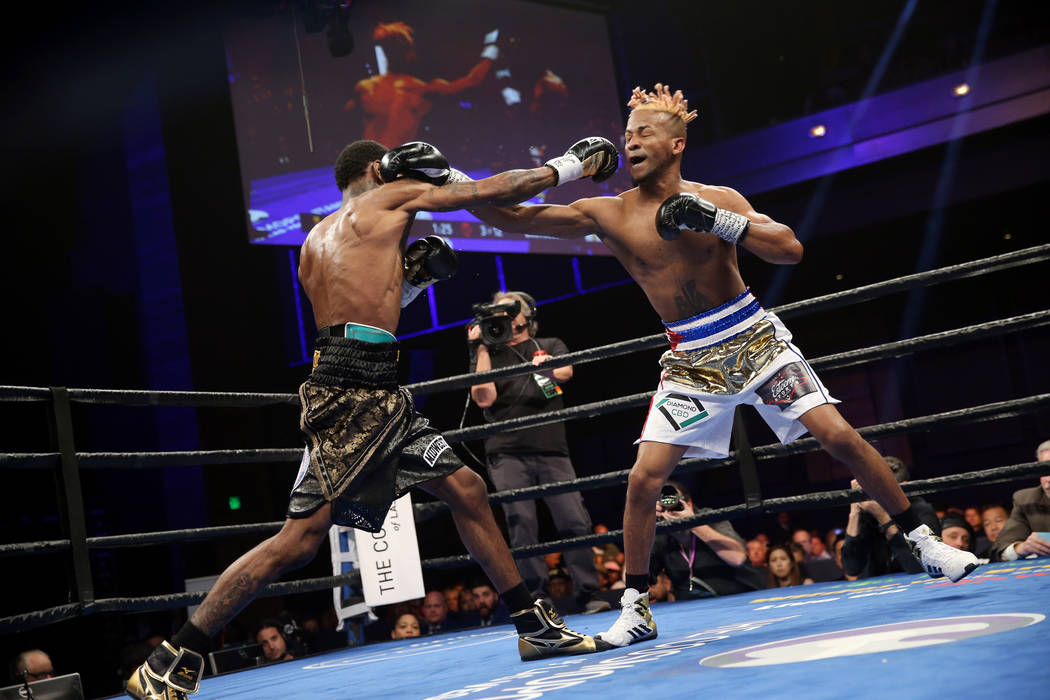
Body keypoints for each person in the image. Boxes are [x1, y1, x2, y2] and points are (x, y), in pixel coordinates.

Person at [467, 82, 979, 648]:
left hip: (754, 338)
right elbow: (510, 217)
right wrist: (563, 168)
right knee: (643, 480)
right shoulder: (606, 211)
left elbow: (789, 248)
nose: (630, 142)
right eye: (626, 134)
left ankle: (925, 543)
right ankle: (636, 605)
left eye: (643, 133)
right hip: (690, 359)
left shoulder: (719, 197)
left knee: (838, 435)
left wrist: (718, 220)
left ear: (677, 144)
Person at [126, 136, 622, 699]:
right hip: (357, 390)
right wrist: (572, 165)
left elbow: (355, 313)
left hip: (358, 381)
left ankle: (533, 627)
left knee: (467, 489)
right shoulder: (392, 196)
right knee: (299, 540)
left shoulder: (315, 239)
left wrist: (410, 282)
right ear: (375, 169)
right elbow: (492, 190)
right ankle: (175, 653)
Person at [469, 290, 609, 614]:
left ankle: (588, 593)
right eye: (497, 310)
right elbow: (484, 398)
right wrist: (479, 347)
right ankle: (537, 597)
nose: (503, 314)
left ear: (526, 314)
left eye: (509, 308)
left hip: (551, 449)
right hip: (507, 451)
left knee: (574, 519)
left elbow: (566, 372)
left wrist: (545, 367)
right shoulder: (487, 354)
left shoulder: (549, 344)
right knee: (522, 525)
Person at [347, 22, 497, 147]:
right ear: (409, 53)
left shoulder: (365, 88)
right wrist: (491, 49)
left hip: (375, 164)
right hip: (391, 165)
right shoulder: (422, 89)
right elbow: (472, 80)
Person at [649, 481, 765, 599]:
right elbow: (634, 577)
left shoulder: (710, 518)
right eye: (664, 501)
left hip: (741, 599)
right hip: (692, 609)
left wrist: (693, 523)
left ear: (688, 503)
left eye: (674, 498)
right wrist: (645, 525)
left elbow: (738, 558)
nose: (669, 505)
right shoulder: (660, 530)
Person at [841, 457, 940, 579]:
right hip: (880, 589)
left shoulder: (921, 511)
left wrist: (884, 518)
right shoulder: (868, 511)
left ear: (903, 487)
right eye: (874, 489)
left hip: (919, 586)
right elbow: (851, 568)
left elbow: (919, 568)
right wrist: (854, 512)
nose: (878, 496)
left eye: (884, 490)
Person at [989, 440, 1050, 561]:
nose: (1049, 478)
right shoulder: (1026, 500)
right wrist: (1022, 548)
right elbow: (1000, 550)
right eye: (1045, 470)